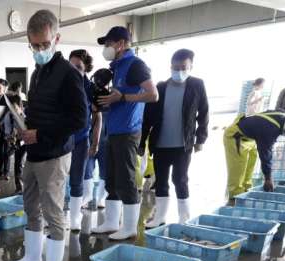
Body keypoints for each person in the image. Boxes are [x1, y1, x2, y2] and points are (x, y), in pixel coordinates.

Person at [7, 9, 87, 261]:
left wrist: (40, 134)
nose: (40, 50)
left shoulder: (69, 74)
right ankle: (33, 257)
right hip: (34, 151)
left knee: (53, 212)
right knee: (31, 205)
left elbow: (79, 119)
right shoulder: (38, 71)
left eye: (44, 44)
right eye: (34, 45)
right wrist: (26, 124)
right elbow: (42, 110)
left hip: (54, 154)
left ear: (57, 39)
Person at [91, 25, 158, 240]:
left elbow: (153, 94)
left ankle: (129, 227)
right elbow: (116, 96)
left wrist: (122, 98)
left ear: (121, 44)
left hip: (128, 131)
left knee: (126, 179)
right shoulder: (117, 67)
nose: (106, 48)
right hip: (113, 129)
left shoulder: (136, 65)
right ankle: (111, 222)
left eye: (109, 44)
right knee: (111, 178)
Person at [142, 48, 209, 227]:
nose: (179, 71)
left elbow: (204, 113)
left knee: (180, 179)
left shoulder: (197, 85)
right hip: (161, 143)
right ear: (170, 66)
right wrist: (142, 142)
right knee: (161, 182)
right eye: (175, 67)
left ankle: (184, 219)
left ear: (191, 67)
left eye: (183, 68)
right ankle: (159, 217)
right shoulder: (161, 87)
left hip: (183, 145)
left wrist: (200, 139)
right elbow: (148, 117)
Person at [224, 111, 285, 199]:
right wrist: (268, 178)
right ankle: (235, 198)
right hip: (236, 136)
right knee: (238, 171)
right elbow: (265, 154)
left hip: (250, 138)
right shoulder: (270, 129)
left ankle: (247, 193)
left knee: (249, 169)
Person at [67, 49, 102, 231]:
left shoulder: (90, 88)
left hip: (80, 140)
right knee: (56, 180)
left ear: (86, 68)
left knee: (76, 179)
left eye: (78, 67)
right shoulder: (61, 83)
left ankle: (75, 217)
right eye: (71, 65)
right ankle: (54, 217)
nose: (74, 70)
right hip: (61, 140)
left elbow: (97, 116)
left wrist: (95, 142)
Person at [0, 82, 27, 192]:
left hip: (28, 140)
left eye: (15, 108)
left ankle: (27, 186)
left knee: (25, 163)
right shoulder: (7, 116)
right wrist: (11, 138)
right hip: (17, 141)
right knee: (18, 162)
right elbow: (6, 131)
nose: (13, 111)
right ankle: (19, 187)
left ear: (20, 107)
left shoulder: (26, 115)